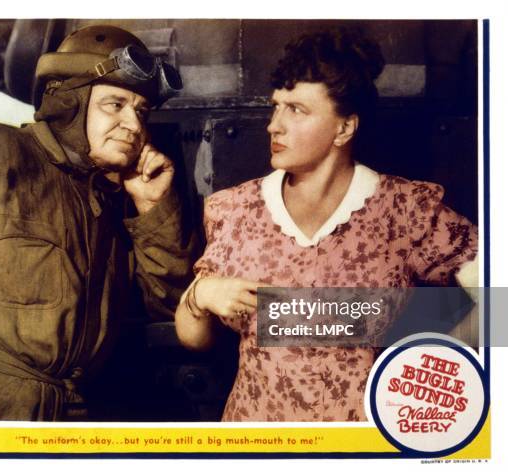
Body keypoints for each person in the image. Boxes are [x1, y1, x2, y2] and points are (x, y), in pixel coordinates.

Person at [175, 27, 478, 422]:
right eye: (276, 106)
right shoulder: (235, 209)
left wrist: (432, 367)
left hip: (367, 446)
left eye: (296, 110)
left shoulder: (404, 209)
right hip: (258, 442)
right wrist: (201, 296)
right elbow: (193, 339)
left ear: (344, 128)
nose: (274, 125)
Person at [0, 24, 195, 421]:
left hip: (65, 418)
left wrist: (153, 210)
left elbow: (174, 309)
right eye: (115, 105)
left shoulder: (109, 203)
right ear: (68, 102)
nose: (134, 125)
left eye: (141, 111)